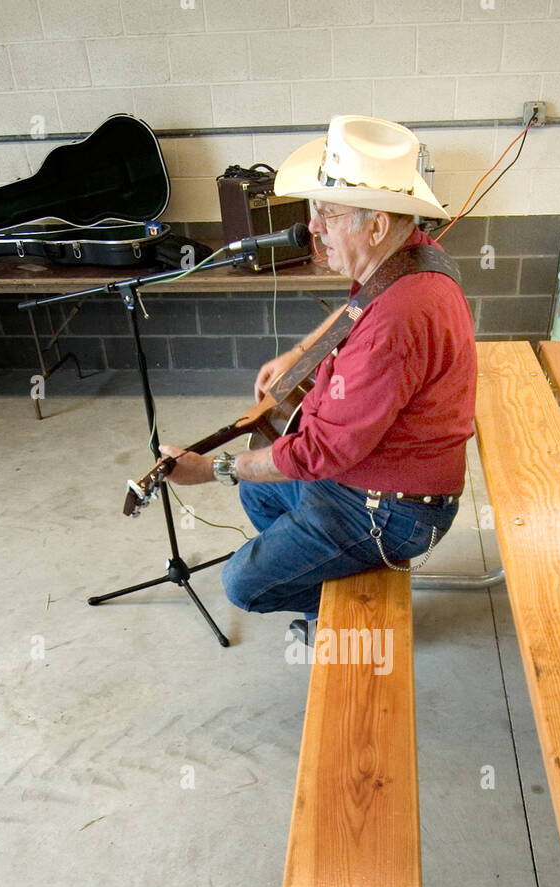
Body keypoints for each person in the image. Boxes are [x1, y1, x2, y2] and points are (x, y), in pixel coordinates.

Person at [159, 115, 477, 636]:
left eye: (328, 214)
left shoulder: (396, 324)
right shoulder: (413, 253)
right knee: (260, 492)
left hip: (394, 511)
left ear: (375, 225)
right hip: (386, 479)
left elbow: (317, 454)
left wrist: (211, 469)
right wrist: (303, 352)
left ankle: (355, 618)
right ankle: (326, 601)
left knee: (243, 582)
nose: (312, 227)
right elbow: (362, 303)